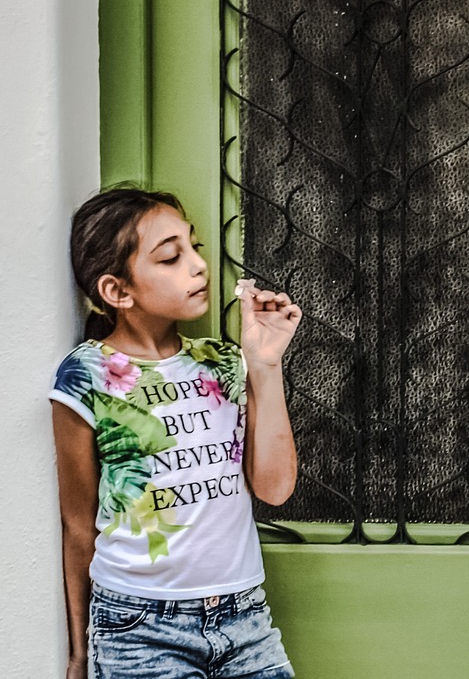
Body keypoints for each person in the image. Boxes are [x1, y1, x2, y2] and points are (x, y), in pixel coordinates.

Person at [50, 186, 302, 679]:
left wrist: (265, 366)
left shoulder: (225, 363)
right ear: (117, 291)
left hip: (245, 618)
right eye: (170, 257)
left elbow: (275, 488)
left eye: (193, 248)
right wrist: (80, 654)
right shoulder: (86, 376)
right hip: (137, 628)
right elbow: (80, 527)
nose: (198, 266)